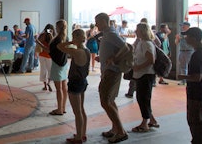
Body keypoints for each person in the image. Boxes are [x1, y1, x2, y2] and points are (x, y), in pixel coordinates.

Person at [94, 12, 129, 143]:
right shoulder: (109, 34)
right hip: (108, 71)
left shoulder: (111, 34)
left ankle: (121, 131)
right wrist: (103, 58)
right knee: (110, 100)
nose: (96, 25)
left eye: (97, 22)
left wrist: (114, 58)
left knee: (105, 101)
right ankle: (115, 128)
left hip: (111, 72)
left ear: (104, 21)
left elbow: (125, 47)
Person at [57, 28, 90, 143]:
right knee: (81, 109)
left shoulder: (77, 52)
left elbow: (59, 46)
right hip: (83, 81)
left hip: (75, 82)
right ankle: (82, 133)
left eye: (73, 37)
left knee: (77, 112)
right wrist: (75, 41)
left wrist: (71, 42)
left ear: (76, 38)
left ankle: (78, 137)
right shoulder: (86, 50)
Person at [130, 22, 159, 133]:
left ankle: (144, 123)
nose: (135, 31)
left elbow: (151, 60)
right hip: (142, 74)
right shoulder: (142, 42)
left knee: (143, 98)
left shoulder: (147, 44)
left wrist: (138, 67)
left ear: (142, 31)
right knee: (143, 97)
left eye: (137, 30)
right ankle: (151, 119)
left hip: (145, 74)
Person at [48, 19, 69, 116]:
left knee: (58, 88)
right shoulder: (65, 38)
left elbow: (50, 50)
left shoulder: (57, 39)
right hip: (64, 63)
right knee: (64, 87)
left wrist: (38, 43)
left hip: (57, 64)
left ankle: (59, 109)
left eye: (56, 27)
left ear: (58, 27)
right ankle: (63, 107)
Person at [36, 24, 55, 92]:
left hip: (42, 55)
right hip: (49, 56)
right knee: (50, 70)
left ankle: (45, 86)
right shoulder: (53, 36)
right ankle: (49, 83)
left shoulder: (42, 35)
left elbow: (37, 41)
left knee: (43, 70)